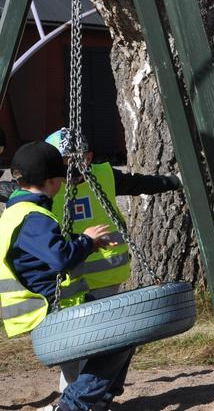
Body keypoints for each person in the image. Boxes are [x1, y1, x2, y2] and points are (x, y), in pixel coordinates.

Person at [44, 127, 180, 391]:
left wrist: (173, 181)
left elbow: (140, 183)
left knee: (99, 338)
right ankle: (78, 394)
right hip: (67, 278)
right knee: (73, 341)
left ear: (88, 158)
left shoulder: (104, 175)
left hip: (105, 273)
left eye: (74, 160)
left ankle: (81, 396)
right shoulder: (47, 186)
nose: (68, 168)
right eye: (61, 162)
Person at [0, 141, 132, 411]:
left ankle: (94, 399)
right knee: (121, 336)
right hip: (50, 313)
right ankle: (74, 405)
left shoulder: (17, 213)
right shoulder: (33, 217)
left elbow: (45, 246)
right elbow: (60, 257)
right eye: (61, 177)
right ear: (52, 182)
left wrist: (88, 243)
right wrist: (84, 240)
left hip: (46, 311)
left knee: (110, 338)